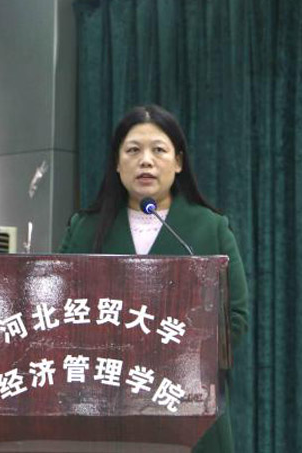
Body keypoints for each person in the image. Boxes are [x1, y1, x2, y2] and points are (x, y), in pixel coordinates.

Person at [59, 104, 249, 453]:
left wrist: (174, 353)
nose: (145, 161)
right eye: (133, 150)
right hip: (106, 407)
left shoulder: (210, 227)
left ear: (178, 162)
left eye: (158, 150)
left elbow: (235, 316)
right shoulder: (84, 229)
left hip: (188, 407)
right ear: (117, 163)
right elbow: (62, 314)